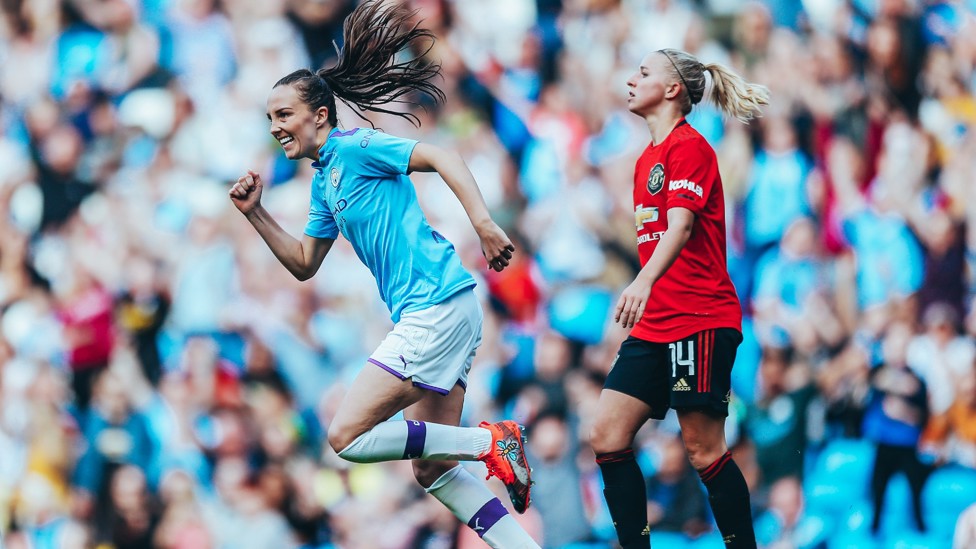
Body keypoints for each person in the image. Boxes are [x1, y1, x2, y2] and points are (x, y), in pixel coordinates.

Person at [227, 2, 537, 548]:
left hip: (435, 305)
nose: (275, 127)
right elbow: (304, 263)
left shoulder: (359, 147)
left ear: (320, 115)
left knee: (345, 435)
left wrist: (484, 224)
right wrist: (255, 212)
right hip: (449, 307)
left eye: (283, 114)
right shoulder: (325, 182)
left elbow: (441, 155)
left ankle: (489, 442)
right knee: (432, 470)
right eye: (270, 118)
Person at [589, 47, 769, 549]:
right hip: (656, 322)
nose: (630, 80)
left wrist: (641, 281)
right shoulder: (646, 158)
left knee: (703, 450)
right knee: (606, 434)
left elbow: (682, 225)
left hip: (699, 319)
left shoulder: (689, 148)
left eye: (642, 73)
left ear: (672, 89)